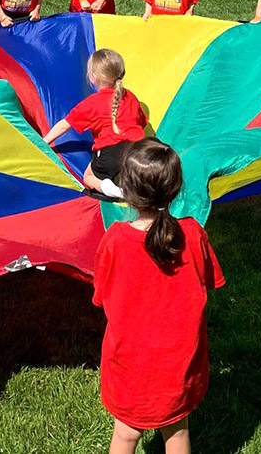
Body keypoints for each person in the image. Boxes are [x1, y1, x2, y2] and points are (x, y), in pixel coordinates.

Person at [92, 138, 225, 454]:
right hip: (179, 364)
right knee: (177, 431)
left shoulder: (114, 241)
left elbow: (101, 296)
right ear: (175, 189)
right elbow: (209, 281)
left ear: (126, 189)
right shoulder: (193, 234)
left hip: (130, 364)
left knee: (125, 435)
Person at [42, 49, 147, 200]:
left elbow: (64, 125)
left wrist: (44, 142)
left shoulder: (92, 103)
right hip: (139, 148)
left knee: (88, 177)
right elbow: (141, 123)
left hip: (110, 153)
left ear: (93, 76)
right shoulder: (130, 96)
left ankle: (109, 187)